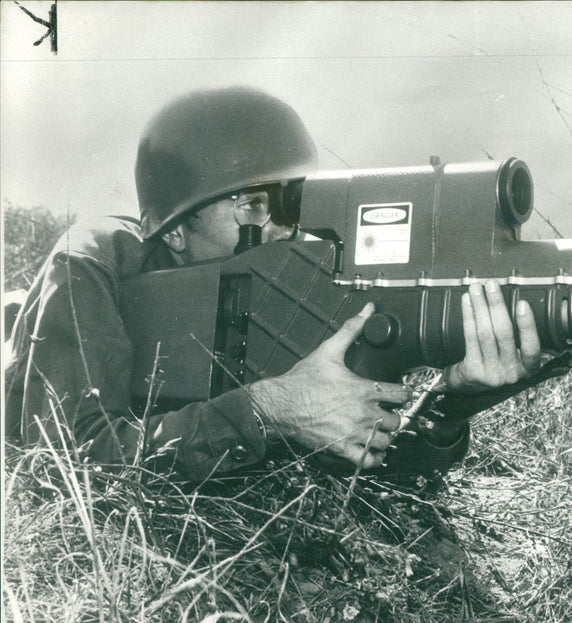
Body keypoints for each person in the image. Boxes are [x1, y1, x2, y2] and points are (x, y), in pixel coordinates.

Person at [4, 87, 542, 482]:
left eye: (290, 205)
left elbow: (370, 464)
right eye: (253, 206)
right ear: (174, 232)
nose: (282, 231)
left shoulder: (298, 285)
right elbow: (63, 459)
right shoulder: (92, 263)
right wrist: (267, 410)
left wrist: (455, 402)